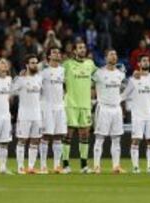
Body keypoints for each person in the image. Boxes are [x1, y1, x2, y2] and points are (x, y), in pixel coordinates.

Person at [122, 54, 150, 174]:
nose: (146, 62)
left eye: (147, 60)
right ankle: (135, 167)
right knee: (136, 140)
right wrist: (112, 102)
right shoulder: (133, 79)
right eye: (143, 61)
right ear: (139, 64)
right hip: (138, 115)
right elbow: (124, 95)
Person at [62, 41, 97, 174]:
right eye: (80, 48)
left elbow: (100, 75)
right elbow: (54, 73)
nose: (83, 50)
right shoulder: (67, 64)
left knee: (85, 135)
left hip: (85, 104)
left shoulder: (90, 64)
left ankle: (84, 165)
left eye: (84, 48)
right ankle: (65, 165)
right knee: (68, 134)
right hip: (71, 104)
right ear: (75, 51)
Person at [92, 49, 126, 174]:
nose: (114, 56)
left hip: (116, 108)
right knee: (100, 138)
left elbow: (123, 89)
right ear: (105, 58)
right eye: (111, 54)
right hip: (103, 108)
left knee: (116, 139)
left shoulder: (120, 74)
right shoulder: (99, 73)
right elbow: (89, 85)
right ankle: (96, 166)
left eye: (115, 54)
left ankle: (116, 166)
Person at [13, 54, 43, 175]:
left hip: (37, 114)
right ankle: (20, 167)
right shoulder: (20, 79)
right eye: (32, 63)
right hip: (24, 114)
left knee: (35, 140)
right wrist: (17, 78)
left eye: (36, 62)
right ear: (27, 65)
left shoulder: (39, 78)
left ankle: (30, 167)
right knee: (22, 140)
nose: (35, 65)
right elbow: (11, 90)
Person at [39, 47, 66, 174]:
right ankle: (43, 165)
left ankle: (56, 166)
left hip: (59, 106)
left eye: (58, 52)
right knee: (46, 136)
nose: (57, 54)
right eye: (54, 52)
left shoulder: (63, 70)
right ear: (48, 56)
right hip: (47, 106)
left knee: (58, 136)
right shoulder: (43, 71)